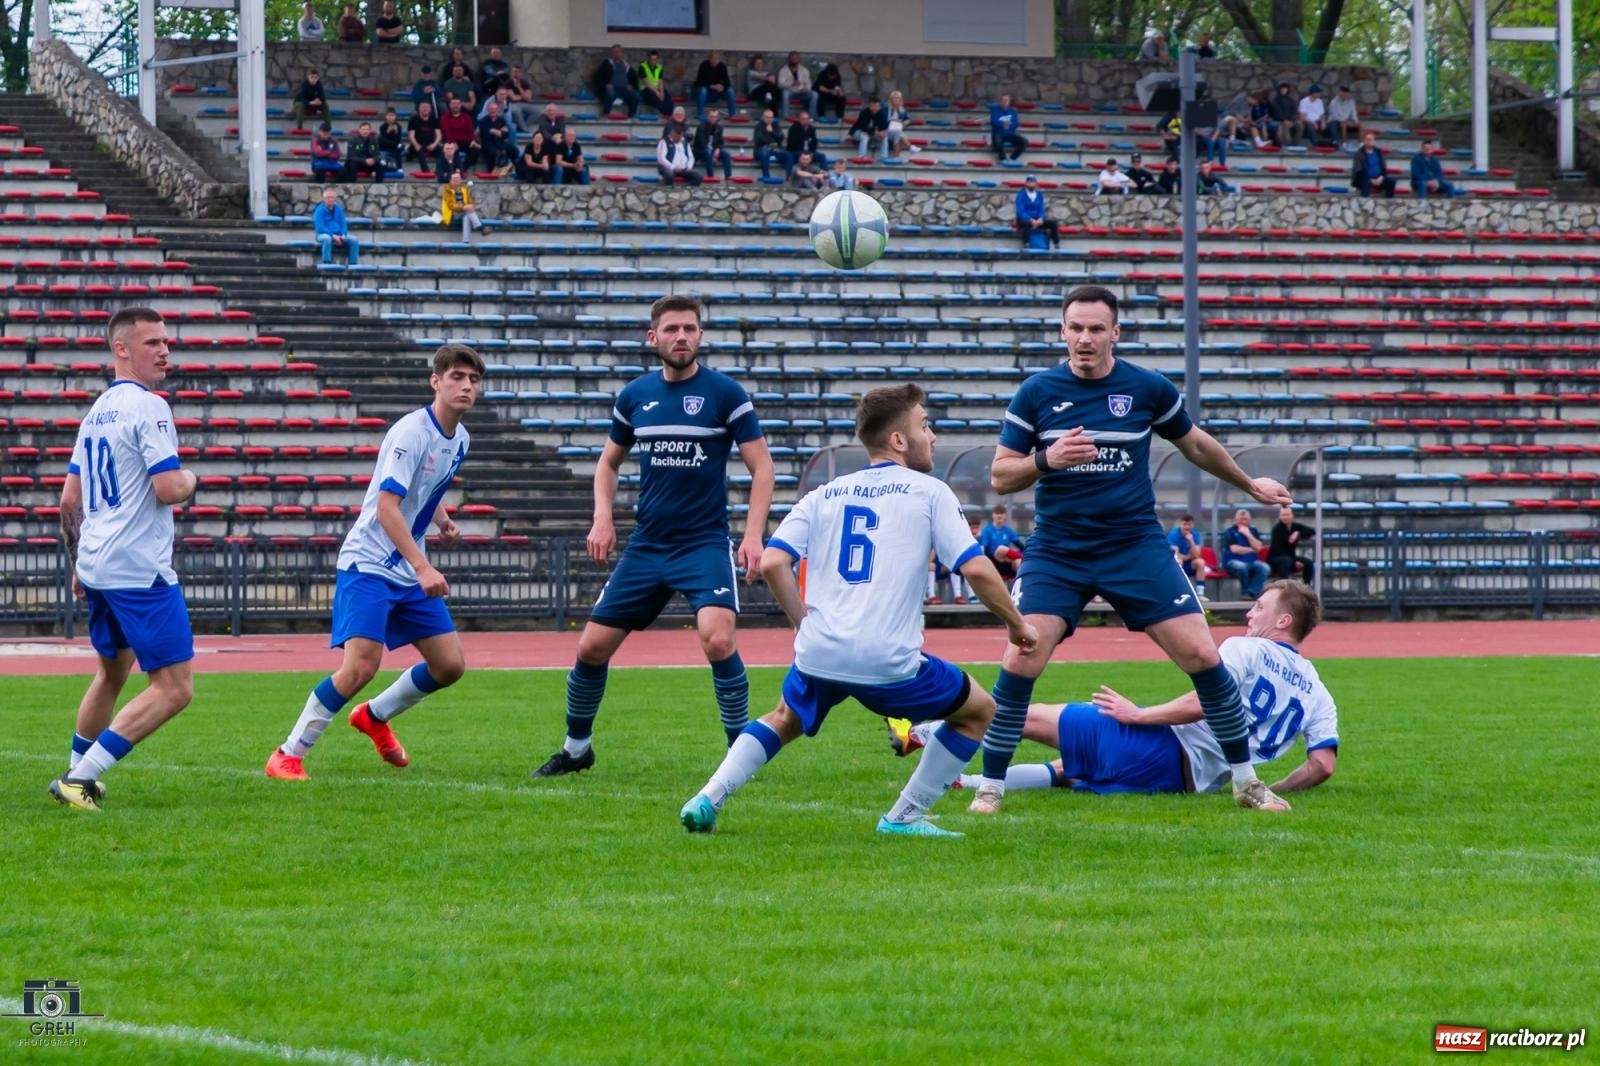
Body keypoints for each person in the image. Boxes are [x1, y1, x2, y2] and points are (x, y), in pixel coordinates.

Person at [968, 284, 1294, 816]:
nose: (1085, 338)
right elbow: (1002, 475)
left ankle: (1246, 783)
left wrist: (1248, 484)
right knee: (1023, 654)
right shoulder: (1037, 392)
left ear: (1115, 333)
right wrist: (1048, 460)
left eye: (1096, 329)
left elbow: (1195, 444)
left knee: (1203, 655)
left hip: (1134, 545)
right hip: (1059, 550)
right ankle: (990, 787)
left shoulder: (1146, 388)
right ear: (1062, 332)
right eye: (1075, 328)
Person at [678, 383, 1039, 838]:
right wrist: (1017, 623)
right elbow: (978, 571)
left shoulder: (825, 494)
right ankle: (904, 817)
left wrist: (801, 622)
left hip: (821, 651)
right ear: (899, 440)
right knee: (978, 711)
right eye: (924, 425)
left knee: (783, 719)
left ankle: (707, 797)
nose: (932, 435)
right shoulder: (929, 492)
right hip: (887, 660)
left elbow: (773, 561)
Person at [529, 294, 775, 778]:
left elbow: (762, 467)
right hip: (647, 545)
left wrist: (752, 537)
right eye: (671, 329)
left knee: (717, 640)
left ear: (700, 335)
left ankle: (740, 753)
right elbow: (608, 463)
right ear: (653, 337)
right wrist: (602, 517)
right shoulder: (634, 396)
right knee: (590, 648)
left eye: (689, 328)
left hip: (703, 542)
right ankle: (577, 749)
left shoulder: (726, 394)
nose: (680, 336)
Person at [901, 582, 1337, 804]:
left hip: (1164, 744)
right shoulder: (1318, 690)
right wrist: (1267, 785)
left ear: (1283, 621)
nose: (1249, 611)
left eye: (1260, 606)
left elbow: (1211, 701)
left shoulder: (1246, 648)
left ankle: (921, 730)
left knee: (1027, 716)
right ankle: (965, 781)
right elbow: (1322, 765)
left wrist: (1138, 715)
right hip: (1188, 783)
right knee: (1070, 770)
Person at [265, 345, 483, 782]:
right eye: (457, 377)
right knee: (361, 666)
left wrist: (442, 520)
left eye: (474, 380)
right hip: (369, 564)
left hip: (406, 565)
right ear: (435, 381)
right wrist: (424, 567)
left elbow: (425, 487)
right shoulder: (411, 431)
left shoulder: (460, 438)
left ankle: (374, 716)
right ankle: (287, 755)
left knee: (449, 666)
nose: (466, 386)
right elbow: (387, 507)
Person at [49, 307, 197, 811]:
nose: (164, 351)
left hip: (98, 567)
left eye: (166, 342)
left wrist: (77, 562)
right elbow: (169, 487)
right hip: (138, 569)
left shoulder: (96, 413)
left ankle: (74, 768)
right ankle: (80, 779)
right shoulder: (150, 406)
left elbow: (70, 501)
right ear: (121, 349)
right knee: (175, 688)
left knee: (112, 674)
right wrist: (193, 478)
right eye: (153, 342)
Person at [1224, 507, 1271, 598]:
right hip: (1233, 561)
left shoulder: (1253, 531)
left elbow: (1258, 547)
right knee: (1242, 567)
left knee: (1265, 567)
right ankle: (1245, 592)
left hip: (1252, 561)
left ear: (1249, 520)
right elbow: (1235, 549)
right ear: (1236, 520)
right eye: (1241, 519)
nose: (1243, 521)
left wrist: (1247, 534)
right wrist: (1252, 549)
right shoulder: (1230, 531)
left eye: (1245, 519)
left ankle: (1251, 592)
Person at [1267, 505, 1315, 583]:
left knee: (1308, 563)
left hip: (1290, 558)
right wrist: (1294, 562)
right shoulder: (1276, 529)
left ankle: (1306, 586)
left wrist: (1298, 533)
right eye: (1283, 515)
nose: (1285, 517)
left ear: (1292, 516)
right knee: (1286, 561)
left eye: (1287, 515)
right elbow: (1279, 551)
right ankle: (1283, 585)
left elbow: (1311, 531)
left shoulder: (1294, 527)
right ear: (1280, 517)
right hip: (1275, 559)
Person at [590, 44, 641, 118]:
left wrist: (631, 85)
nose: (617, 54)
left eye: (618, 52)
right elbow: (598, 76)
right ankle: (606, 114)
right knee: (610, 94)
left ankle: (631, 115)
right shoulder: (606, 63)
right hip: (612, 88)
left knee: (636, 96)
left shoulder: (626, 65)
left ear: (621, 53)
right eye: (615, 52)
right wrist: (606, 84)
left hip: (625, 89)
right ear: (612, 53)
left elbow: (634, 78)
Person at [1166, 513, 1206, 599]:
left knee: (1200, 562)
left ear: (1193, 525)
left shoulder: (1195, 535)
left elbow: (1197, 555)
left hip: (1189, 564)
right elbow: (1174, 554)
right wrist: (1188, 556)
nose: (1187, 527)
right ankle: (1178, 593)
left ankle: (1200, 594)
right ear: (1181, 524)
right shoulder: (1173, 535)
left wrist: (1191, 541)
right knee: (1178, 561)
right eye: (1185, 524)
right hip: (1176, 566)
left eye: (1189, 524)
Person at [977, 503, 1022, 582]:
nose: (999, 516)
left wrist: (1010, 558)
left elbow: (1020, 545)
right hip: (994, 561)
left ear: (1005, 515)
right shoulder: (988, 530)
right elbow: (985, 550)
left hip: (1006, 561)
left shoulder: (1008, 530)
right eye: (997, 513)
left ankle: (1019, 585)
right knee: (1001, 549)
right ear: (993, 515)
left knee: (1018, 561)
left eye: (1001, 513)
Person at [1014, 173, 1058, 248]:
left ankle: (1056, 244)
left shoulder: (1039, 195)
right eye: (1029, 182)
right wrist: (1030, 220)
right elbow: (1020, 211)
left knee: (1053, 223)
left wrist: (1040, 218)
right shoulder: (1021, 195)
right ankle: (1026, 244)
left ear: (1036, 183)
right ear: (1026, 183)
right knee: (1026, 224)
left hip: (1037, 220)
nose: (1031, 184)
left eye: (1033, 182)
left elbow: (1041, 209)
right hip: (1025, 219)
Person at [1350, 130, 1395, 198]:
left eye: (1371, 140)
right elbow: (1358, 171)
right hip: (1364, 178)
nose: (1369, 141)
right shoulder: (1359, 154)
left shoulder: (1378, 152)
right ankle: (1364, 203)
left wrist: (1381, 177)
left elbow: (1383, 167)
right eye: (1367, 140)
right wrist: (1370, 179)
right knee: (1366, 183)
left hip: (1378, 178)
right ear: (1364, 141)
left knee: (1391, 182)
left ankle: (1388, 203)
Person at [438, 96, 479, 170]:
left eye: (458, 104)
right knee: (450, 149)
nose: (456, 106)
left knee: (476, 150)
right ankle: (448, 170)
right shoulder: (445, 117)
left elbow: (470, 130)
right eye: (454, 104)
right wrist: (452, 143)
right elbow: (446, 132)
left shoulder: (466, 117)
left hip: (463, 141)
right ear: (450, 105)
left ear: (460, 105)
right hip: (449, 141)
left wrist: (473, 140)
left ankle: (462, 168)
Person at [477, 99, 516, 177]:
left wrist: (493, 131)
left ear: (498, 110)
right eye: (491, 109)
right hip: (488, 143)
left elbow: (505, 134)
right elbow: (484, 134)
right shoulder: (483, 121)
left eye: (494, 109)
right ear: (488, 110)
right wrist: (495, 132)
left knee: (514, 150)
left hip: (500, 142)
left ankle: (512, 169)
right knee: (493, 153)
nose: (493, 111)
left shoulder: (501, 120)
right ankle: (492, 172)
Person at [694, 49, 736, 120]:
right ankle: (700, 114)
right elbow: (699, 82)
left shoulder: (722, 66)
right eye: (713, 59)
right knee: (703, 90)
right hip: (706, 91)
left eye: (716, 59)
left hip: (717, 92)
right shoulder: (704, 65)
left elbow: (727, 82)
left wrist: (722, 87)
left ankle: (732, 114)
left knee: (730, 91)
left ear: (719, 60)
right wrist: (712, 86)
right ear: (709, 59)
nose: (714, 61)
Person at [440, 170, 482, 239]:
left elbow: (470, 202)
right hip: (452, 215)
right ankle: (479, 226)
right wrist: (464, 207)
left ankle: (465, 242)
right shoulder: (447, 191)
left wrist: (471, 206)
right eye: (455, 179)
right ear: (450, 180)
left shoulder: (464, 189)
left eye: (458, 179)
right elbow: (451, 206)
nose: (457, 181)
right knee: (467, 212)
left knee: (466, 216)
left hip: (464, 213)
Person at [752, 108, 792, 179]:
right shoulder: (758, 126)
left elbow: (781, 137)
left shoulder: (775, 125)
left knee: (789, 155)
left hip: (775, 149)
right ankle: (766, 176)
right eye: (767, 117)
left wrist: (772, 132)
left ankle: (789, 177)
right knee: (764, 154)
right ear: (763, 117)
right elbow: (760, 140)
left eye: (771, 117)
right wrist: (770, 137)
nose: (769, 119)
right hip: (761, 149)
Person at [693, 108, 731, 181]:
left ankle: (728, 176)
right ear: (708, 117)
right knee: (708, 153)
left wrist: (718, 149)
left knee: (726, 154)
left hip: (713, 149)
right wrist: (713, 155)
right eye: (711, 116)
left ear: (717, 118)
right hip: (700, 150)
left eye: (715, 117)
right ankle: (711, 176)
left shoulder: (719, 128)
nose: (713, 119)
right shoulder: (701, 127)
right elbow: (701, 143)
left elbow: (720, 142)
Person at [407, 100, 442, 173]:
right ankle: (426, 171)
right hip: (418, 144)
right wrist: (416, 145)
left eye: (427, 107)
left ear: (430, 109)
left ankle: (438, 171)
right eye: (423, 107)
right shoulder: (413, 120)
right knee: (419, 151)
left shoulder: (434, 120)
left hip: (430, 144)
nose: (425, 109)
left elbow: (439, 135)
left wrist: (434, 144)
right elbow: (411, 135)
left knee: (442, 151)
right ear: (419, 109)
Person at [777, 51, 815, 118]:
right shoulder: (783, 70)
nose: (794, 60)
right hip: (790, 91)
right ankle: (786, 117)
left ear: (799, 59)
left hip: (801, 92)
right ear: (789, 59)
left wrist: (806, 88)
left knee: (814, 94)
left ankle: (811, 117)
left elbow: (809, 84)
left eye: (796, 58)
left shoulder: (804, 70)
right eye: (792, 58)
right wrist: (791, 84)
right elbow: (780, 84)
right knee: (785, 93)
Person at [990, 93, 1026, 161]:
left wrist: (1009, 125)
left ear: (1009, 102)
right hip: (998, 133)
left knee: (1024, 142)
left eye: (1007, 100)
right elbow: (994, 122)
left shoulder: (1012, 111)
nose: (1005, 102)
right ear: (1000, 101)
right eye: (1003, 100)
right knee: (997, 143)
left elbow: (1016, 124)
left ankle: (1012, 158)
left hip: (1010, 134)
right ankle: (1003, 159)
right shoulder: (995, 110)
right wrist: (1002, 124)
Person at [637, 50, 673, 116]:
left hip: (656, 88)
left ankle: (670, 112)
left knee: (666, 96)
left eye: (655, 59)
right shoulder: (642, 67)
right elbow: (646, 82)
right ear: (648, 58)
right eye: (652, 59)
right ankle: (663, 112)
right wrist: (657, 92)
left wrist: (661, 92)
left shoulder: (659, 67)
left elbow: (660, 81)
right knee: (655, 97)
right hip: (645, 89)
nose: (654, 61)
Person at [504, 65, 538, 133]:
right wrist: (523, 96)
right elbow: (513, 98)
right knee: (516, 111)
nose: (515, 74)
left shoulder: (525, 83)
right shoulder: (508, 83)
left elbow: (528, 98)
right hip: (512, 104)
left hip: (524, 104)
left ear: (520, 73)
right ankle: (525, 130)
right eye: (513, 72)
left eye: (517, 72)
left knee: (537, 112)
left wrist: (519, 89)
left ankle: (521, 127)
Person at [1269, 81, 1302, 147]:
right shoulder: (1275, 101)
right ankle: (1286, 144)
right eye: (1282, 88)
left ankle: (1295, 144)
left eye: (1285, 88)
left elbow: (1294, 112)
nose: (1283, 90)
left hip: (1290, 120)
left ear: (1287, 90)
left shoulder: (1291, 100)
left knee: (1300, 125)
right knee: (1286, 131)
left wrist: (1292, 120)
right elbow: (1276, 113)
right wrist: (1284, 120)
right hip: (1280, 121)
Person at [1328, 85, 1360, 149]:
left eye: (1346, 93)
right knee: (1343, 124)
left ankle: (1361, 143)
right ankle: (1344, 143)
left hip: (1347, 120)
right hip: (1335, 121)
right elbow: (1334, 116)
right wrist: (1345, 121)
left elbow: (1353, 114)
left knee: (1361, 126)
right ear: (1340, 93)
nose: (1345, 95)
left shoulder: (1351, 102)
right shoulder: (1333, 102)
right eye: (1343, 93)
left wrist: (1355, 121)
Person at [376, 108, 406, 172]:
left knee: (401, 146)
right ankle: (398, 167)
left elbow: (399, 140)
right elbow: (383, 140)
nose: (390, 117)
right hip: (385, 146)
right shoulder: (383, 126)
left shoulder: (398, 126)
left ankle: (399, 168)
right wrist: (387, 132)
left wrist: (396, 132)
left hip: (394, 147)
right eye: (389, 115)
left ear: (395, 117)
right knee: (380, 139)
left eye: (392, 115)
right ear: (386, 116)